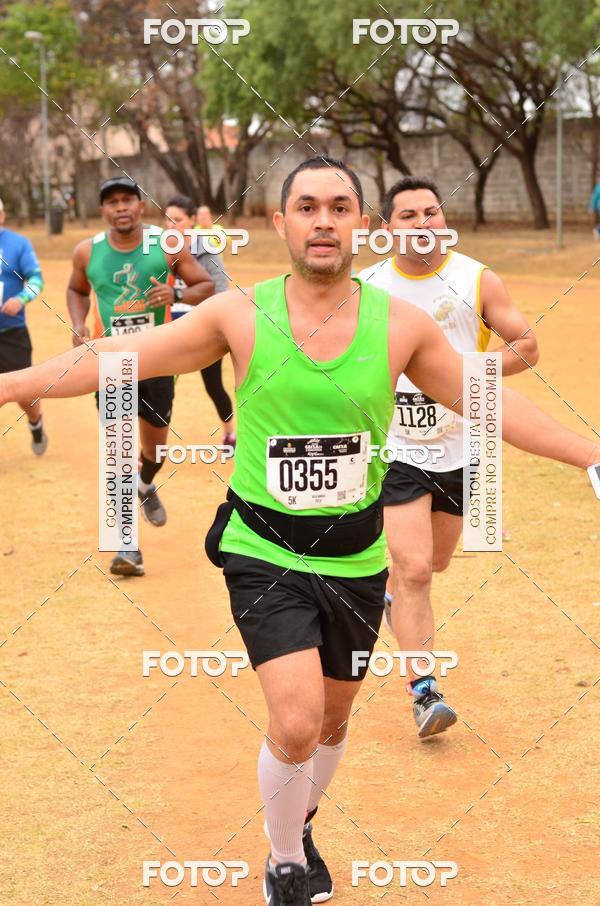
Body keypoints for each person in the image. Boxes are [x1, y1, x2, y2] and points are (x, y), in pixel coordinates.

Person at [2, 157, 600, 906]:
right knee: (296, 721)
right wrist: (12, 384)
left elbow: (490, 402)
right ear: (280, 222)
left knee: (333, 722)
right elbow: (115, 357)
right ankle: (285, 862)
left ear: (362, 226)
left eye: (340, 207)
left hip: (356, 557)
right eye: (308, 207)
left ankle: (301, 822)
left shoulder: (402, 326)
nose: (324, 221)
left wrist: (590, 454)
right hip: (263, 549)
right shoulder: (237, 314)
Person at [358, 175, 540, 738]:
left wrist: (463, 373)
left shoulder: (476, 279)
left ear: (444, 219)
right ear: (387, 229)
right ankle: (425, 692)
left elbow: (527, 347)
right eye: (408, 215)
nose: (422, 223)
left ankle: (391, 597)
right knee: (414, 568)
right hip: (395, 448)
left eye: (431, 212)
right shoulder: (367, 286)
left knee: (435, 562)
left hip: (464, 447)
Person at [66, 176, 215, 577]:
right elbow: (76, 290)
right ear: (103, 210)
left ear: (141, 206)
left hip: (158, 361)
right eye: (112, 201)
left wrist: (176, 295)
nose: (121, 207)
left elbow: (205, 285)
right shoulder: (87, 251)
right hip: (111, 363)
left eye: (127, 200)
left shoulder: (166, 245)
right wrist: (79, 324)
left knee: (155, 451)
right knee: (117, 454)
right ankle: (127, 547)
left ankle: (146, 483)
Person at [165, 195, 236, 446]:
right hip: (170, 330)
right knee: (164, 387)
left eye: (177, 219)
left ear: (191, 220)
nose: (171, 225)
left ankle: (230, 434)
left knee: (214, 386)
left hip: (203, 330)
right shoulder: (160, 250)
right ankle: (152, 446)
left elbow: (220, 292)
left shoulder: (207, 249)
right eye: (167, 219)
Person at [0, 197, 47, 454]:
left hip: (12, 333)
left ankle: (35, 421)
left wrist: (21, 299)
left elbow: (36, 280)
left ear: (2, 216)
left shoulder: (18, 244)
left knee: (24, 394)